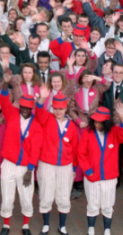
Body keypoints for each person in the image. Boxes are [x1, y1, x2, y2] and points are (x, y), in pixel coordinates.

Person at [0, 75, 43, 235]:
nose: (24, 110)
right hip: (9, 163)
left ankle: (25, 225)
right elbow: (3, 101)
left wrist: (30, 171)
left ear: (32, 109)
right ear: (19, 106)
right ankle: (6, 224)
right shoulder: (11, 114)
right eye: (22, 107)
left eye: (27, 108)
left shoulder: (36, 124)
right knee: (7, 194)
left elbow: (36, 148)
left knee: (26, 196)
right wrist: (5, 83)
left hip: (25, 167)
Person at [77, 103, 123, 235]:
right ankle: (91, 229)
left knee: (108, 205)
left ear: (107, 123)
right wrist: (88, 171)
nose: (96, 125)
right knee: (92, 205)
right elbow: (81, 153)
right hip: (92, 177)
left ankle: (107, 230)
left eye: (100, 123)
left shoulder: (115, 132)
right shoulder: (88, 134)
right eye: (95, 122)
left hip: (109, 177)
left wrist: (122, 118)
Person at [35, 84, 79, 235]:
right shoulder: (47, 119)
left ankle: (62, 226)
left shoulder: (72, 126)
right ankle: (46, 225)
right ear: (52, 108)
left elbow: (75, 149)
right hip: (47, 164)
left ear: (66, 108)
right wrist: (42, 98)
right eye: (55, 108)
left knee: (64, 196)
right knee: (46, 194)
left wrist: (74, 168)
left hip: (65, 166)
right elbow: (39, 111)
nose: (58, 111)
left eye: (61, 109)